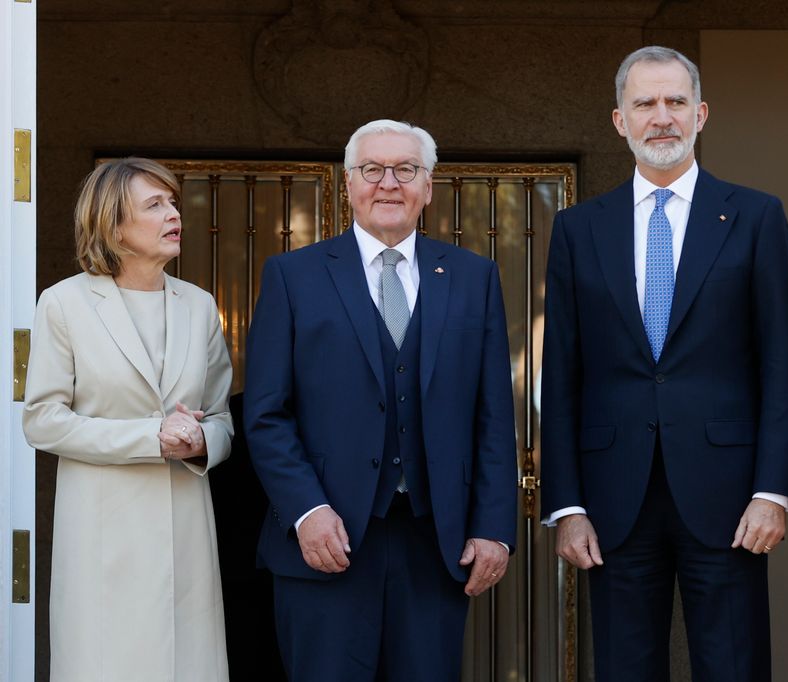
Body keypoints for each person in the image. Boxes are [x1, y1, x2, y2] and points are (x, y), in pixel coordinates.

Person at [541, 45, 788, 680]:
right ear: (619, 121)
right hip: (613, 500)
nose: (662, 117)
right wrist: (567, 504)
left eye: (675, 102)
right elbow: (563, 371)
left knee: (733, 664)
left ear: (701, 114)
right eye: (645, 104)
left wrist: (774, 490)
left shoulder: (756, 216)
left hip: (731, 496)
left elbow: (781, 363)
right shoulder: (580, 228)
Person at [244, 119, 518, 682]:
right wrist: (306, 510)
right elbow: (266, 413)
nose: (388, 183)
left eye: (406, 169)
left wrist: (494, 526)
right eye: (372, 169)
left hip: (434, 541)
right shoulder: (293, 276)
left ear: (428, 186)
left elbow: (492, 416)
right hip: (325, 540)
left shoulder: (473, 277)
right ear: (348, 184)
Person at [22, 158, 234, 681]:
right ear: (114, 225)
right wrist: (149, 437)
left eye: (173, 203)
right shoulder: (64, 304)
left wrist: (200, 439)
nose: (173, 214)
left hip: (184, 530)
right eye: (155, 205)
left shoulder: (200, 306)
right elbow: (43, 420)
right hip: (102, 534)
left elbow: (224, 419)